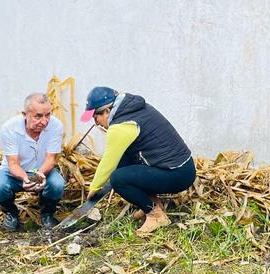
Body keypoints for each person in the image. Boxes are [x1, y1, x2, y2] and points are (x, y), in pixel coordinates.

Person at [79, 87, 196, 236]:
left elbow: (108, 163)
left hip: (176, 173)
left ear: (107, 111)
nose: (96, 123)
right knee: (122, 159)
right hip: (183, 168)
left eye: (96, 117)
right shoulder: (135, 109)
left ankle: (156, 215)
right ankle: (153, 204)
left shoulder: (121, 126)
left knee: (118, 179)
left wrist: (94, 187)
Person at [0, 93, 65, 230]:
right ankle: (11, 213)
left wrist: (40, 174)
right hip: (14, 173)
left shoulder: (55, 126)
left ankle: (47, 214)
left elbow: (50, 159)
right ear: (25, 114)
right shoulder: (10, 128)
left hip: (42, 170)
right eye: (38, 116)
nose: (44, 121)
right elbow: (13, 163)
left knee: (57, 184)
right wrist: (25, 178)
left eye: (47, 115)